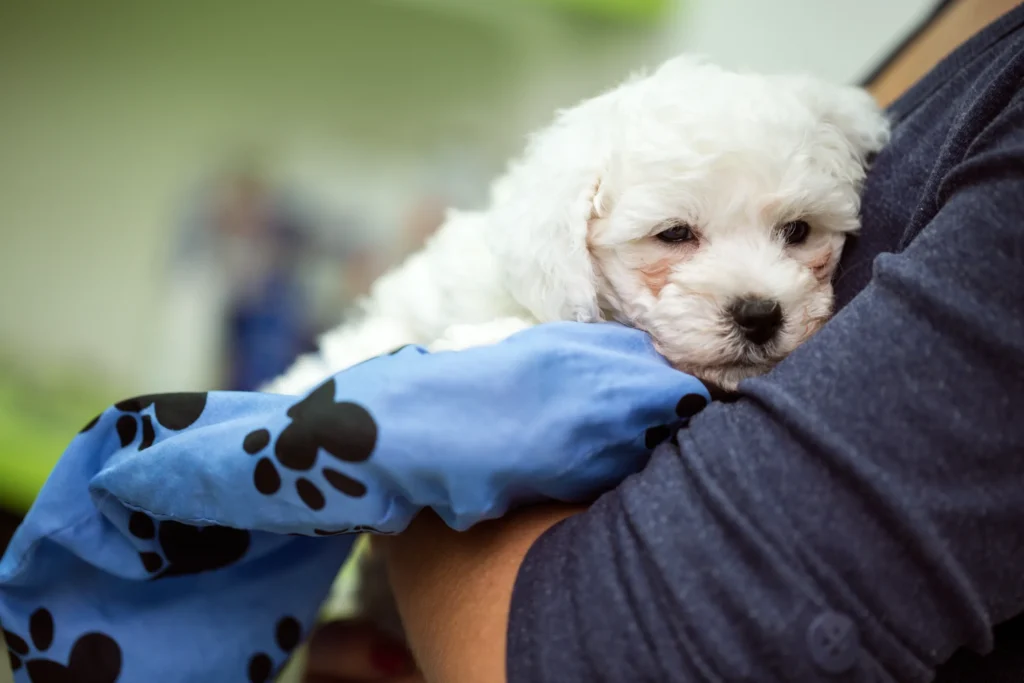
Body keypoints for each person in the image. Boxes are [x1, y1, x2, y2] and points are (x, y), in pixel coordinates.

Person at [302, 1, 1024, 682]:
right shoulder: (498, 282)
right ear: (576, 238)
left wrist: (415, 460)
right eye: (676, 236)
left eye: (798, 233)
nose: (761, 296)